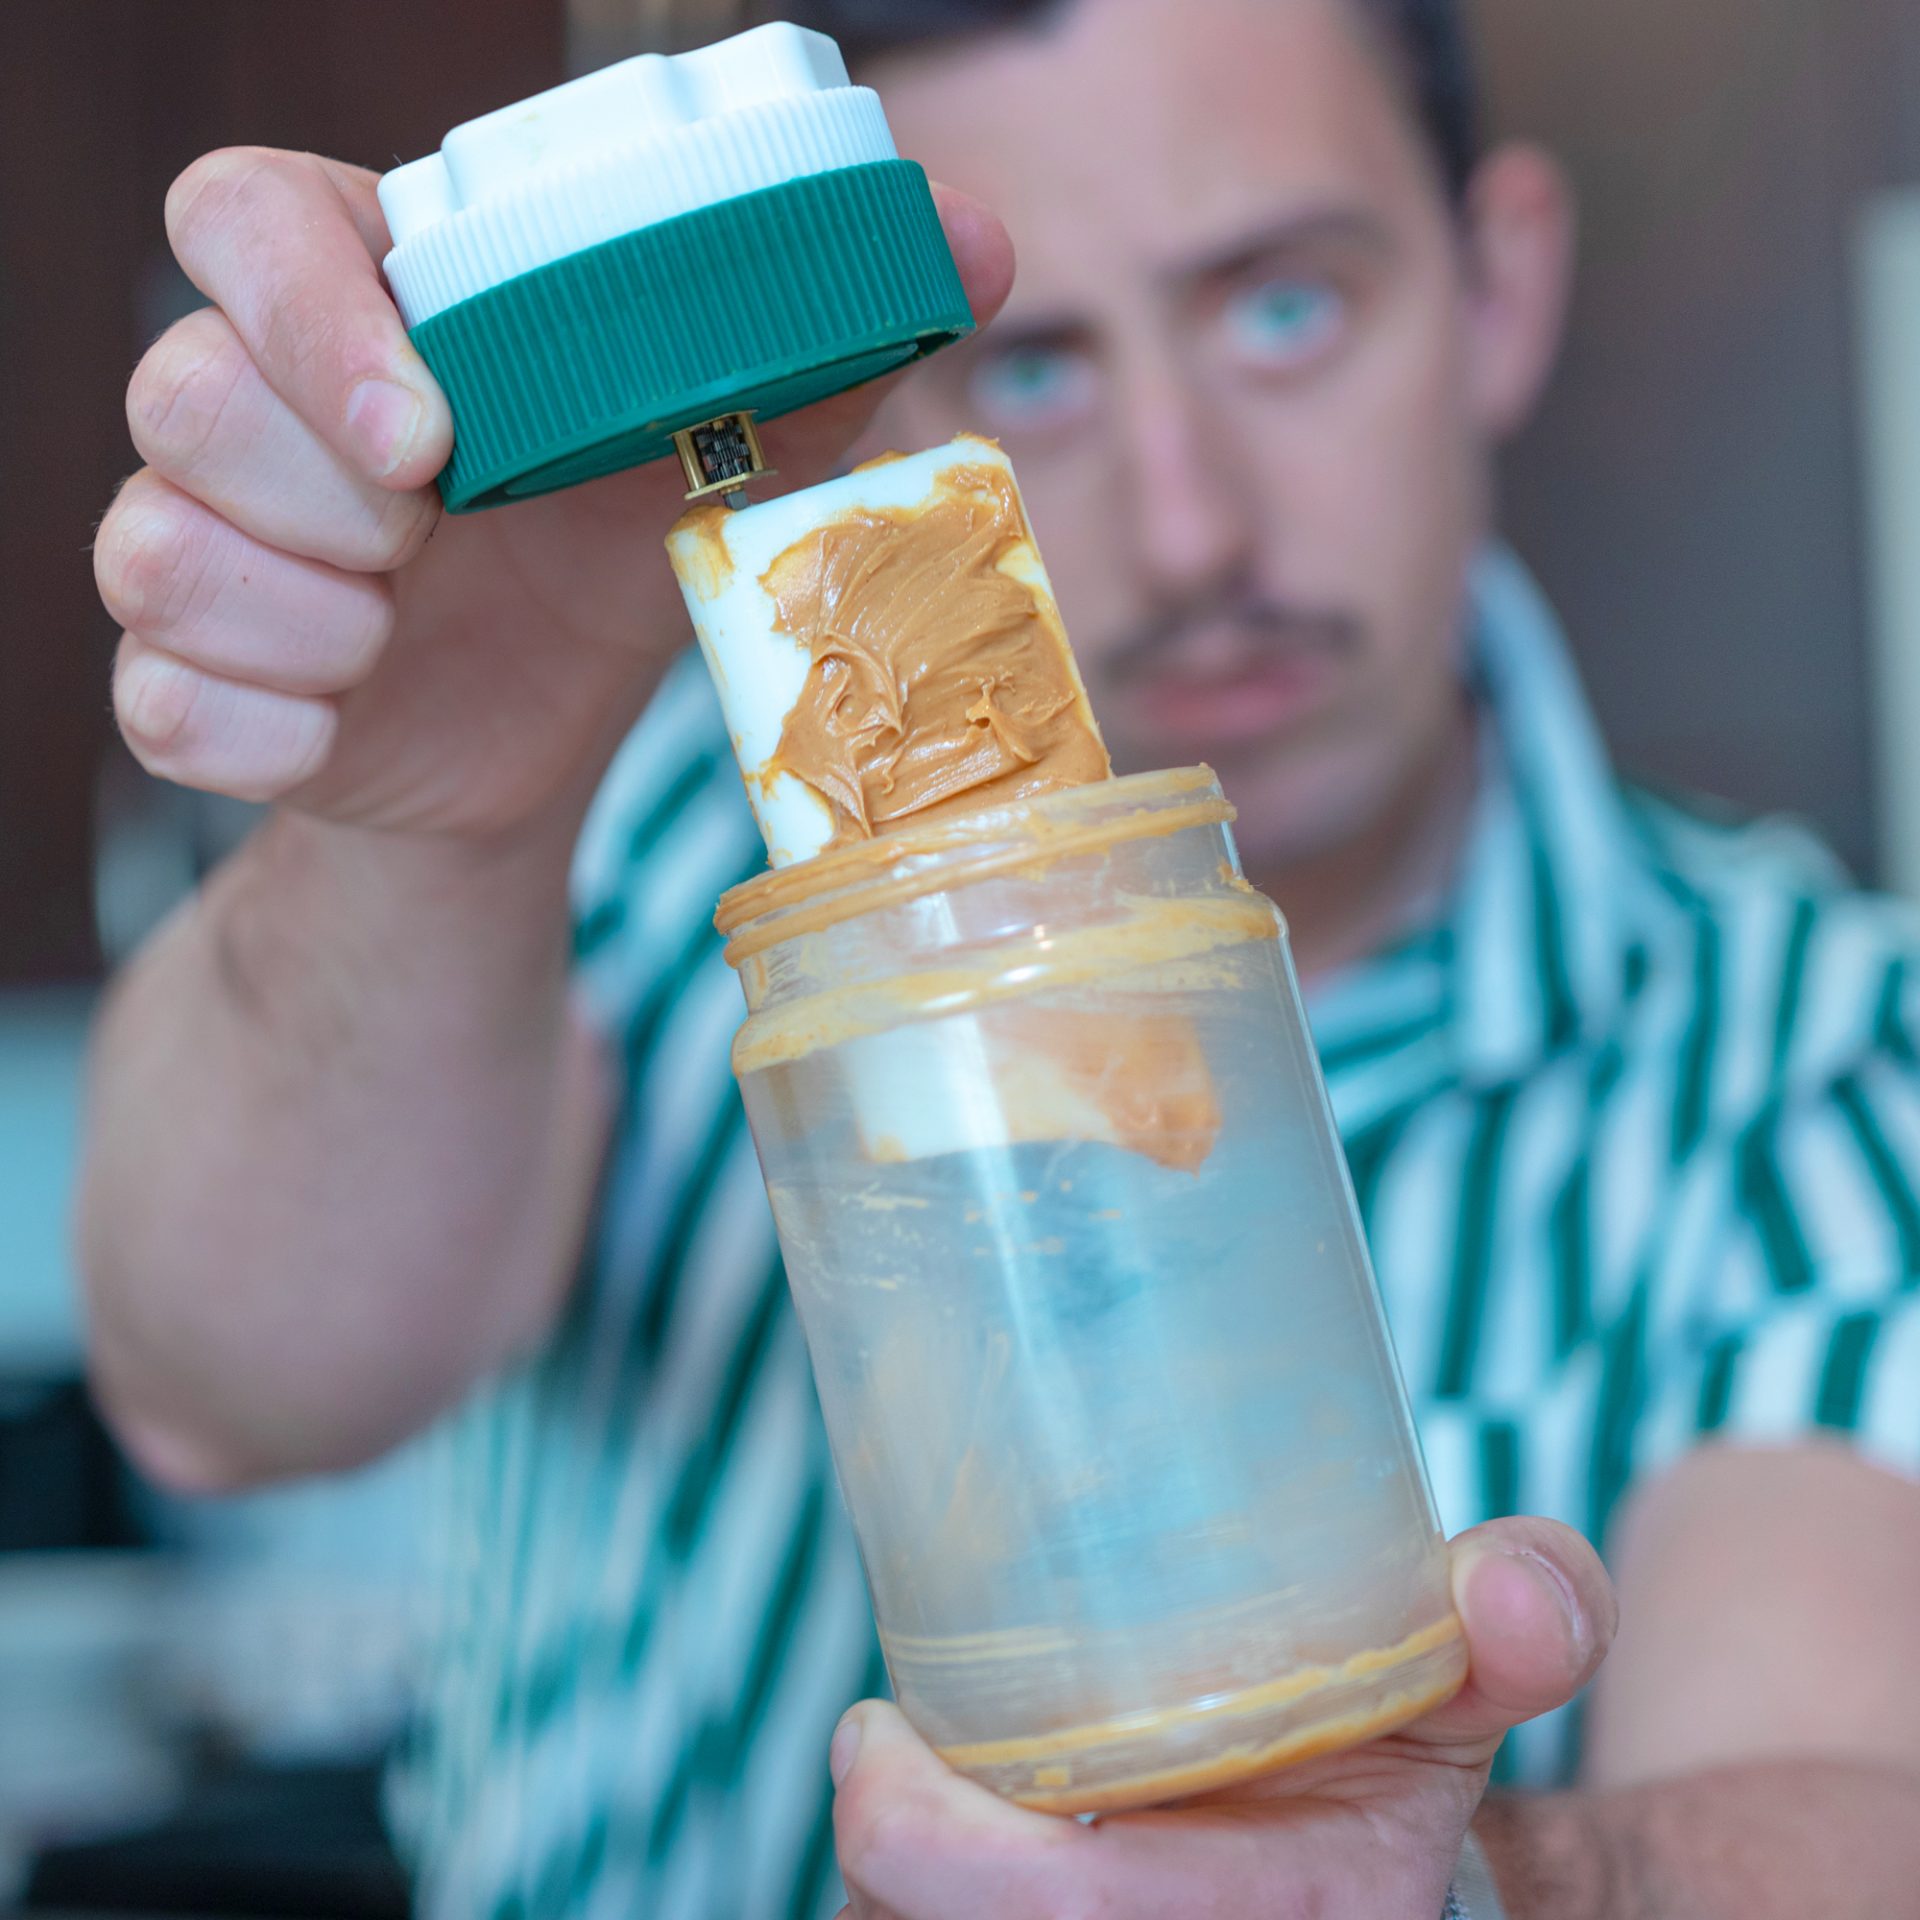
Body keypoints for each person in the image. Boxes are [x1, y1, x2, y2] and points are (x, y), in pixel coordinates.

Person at [79, 0, 1920, 1912]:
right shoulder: (638, 860)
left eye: (1283, 310)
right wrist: (430, 832)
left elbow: (1844, 1796)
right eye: (1033, 370)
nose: (1192, 520)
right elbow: (225, 1389)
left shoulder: (1816, 1052)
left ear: (1501, 286)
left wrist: (1458, 1890)